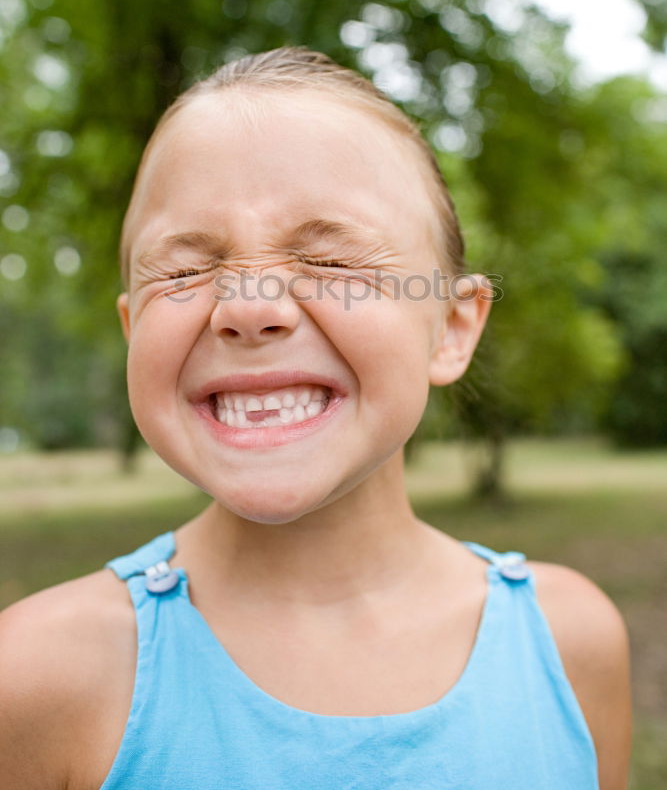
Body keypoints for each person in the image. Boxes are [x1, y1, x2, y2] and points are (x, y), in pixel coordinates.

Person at [0, 48, 631, 789]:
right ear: (133, 328)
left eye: (330, 262)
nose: (248, 308)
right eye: (181, 271)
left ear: (452, 328)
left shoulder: (568, 643)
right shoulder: (38, 678)